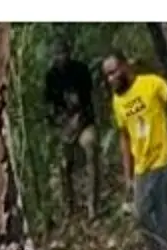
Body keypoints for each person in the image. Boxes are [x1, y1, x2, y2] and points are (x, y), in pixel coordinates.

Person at [102, 51, 167, 250]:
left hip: (163, 160)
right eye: (107, 76)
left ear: (125, 67)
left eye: (113, 73)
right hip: (142, 168)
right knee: (141, 216)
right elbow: (124, 138)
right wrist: (128, 175)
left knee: (162, 215)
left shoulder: (151, 84)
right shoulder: (117, 101)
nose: (110, 79)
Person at [44, 39, 99, 219]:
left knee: (90, 147)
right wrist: (62, 124)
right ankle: (70, 208)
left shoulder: (81, 70)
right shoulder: (51, 77)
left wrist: (80, 120)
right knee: (63, 164)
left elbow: (89, 101)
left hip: (84, 121)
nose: (61, 58)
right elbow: (50, 108)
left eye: (63, 53)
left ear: (69, 53)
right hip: (64, 125)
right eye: (57, 55)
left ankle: (92, 205)